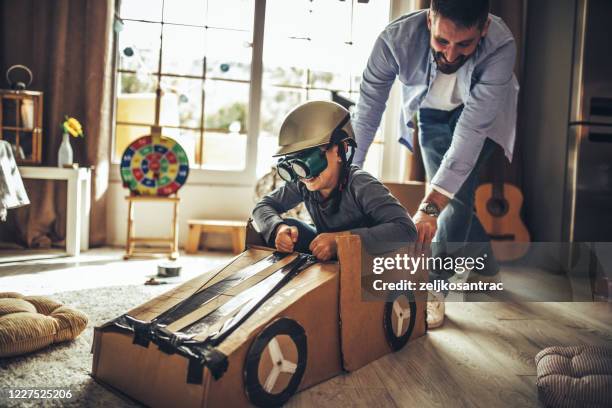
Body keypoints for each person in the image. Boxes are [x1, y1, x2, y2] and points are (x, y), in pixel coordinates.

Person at [351, 0, 518, 327]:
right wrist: (346, 177)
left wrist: (430, 207)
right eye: (442, 42)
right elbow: (367, 113)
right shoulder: (393, 41)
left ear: (483, 29)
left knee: (452, 196)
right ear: (430, 20)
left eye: (464, 44)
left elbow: (471, 130)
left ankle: (434, 286)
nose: (452, 55)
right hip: (430, 112)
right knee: (459, 198)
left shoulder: (501, 45)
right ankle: (485, 263)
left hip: (482, 119)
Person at [252, 100, 417, 262]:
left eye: (309, 158)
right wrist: (279, 228)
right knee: (290, 227)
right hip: (335, 261)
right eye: (295, 163)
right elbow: (263, 206)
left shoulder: (361, 184)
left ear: (339, 150)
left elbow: (406, 230)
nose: (303, 174)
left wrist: (341, 241)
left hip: (372, 262)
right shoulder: (303, 183)